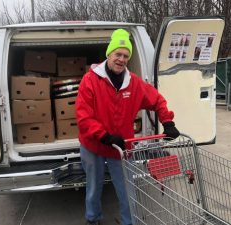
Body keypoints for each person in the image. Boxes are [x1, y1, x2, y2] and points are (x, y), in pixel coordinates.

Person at [75, 28, 180, 225]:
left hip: (121, 146)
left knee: (127, 187)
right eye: (118, 54)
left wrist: (168, 121)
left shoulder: (134, 83)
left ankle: (129, 221)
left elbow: (157, 100)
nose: (121, 59)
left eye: (126, 56)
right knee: (94, 186)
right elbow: (83, 117)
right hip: (93, 145)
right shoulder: (90, 81)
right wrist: (104, 136)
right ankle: (93, 218)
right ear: (109, 54)